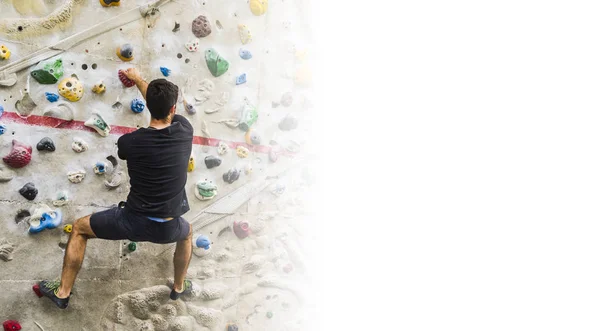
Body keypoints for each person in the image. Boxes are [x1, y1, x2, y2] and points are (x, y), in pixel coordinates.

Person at [37, 68, 194, 309]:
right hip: (169, 227)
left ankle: (63, 292)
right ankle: (179, 287)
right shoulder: (185, 131)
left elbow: (152, 114)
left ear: (149, 106)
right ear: (173, 110)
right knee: (187, 233)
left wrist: (136, 79)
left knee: (79, 228)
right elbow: (162, 110)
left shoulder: (130, 142)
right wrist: (142, 81)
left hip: (132, 222)